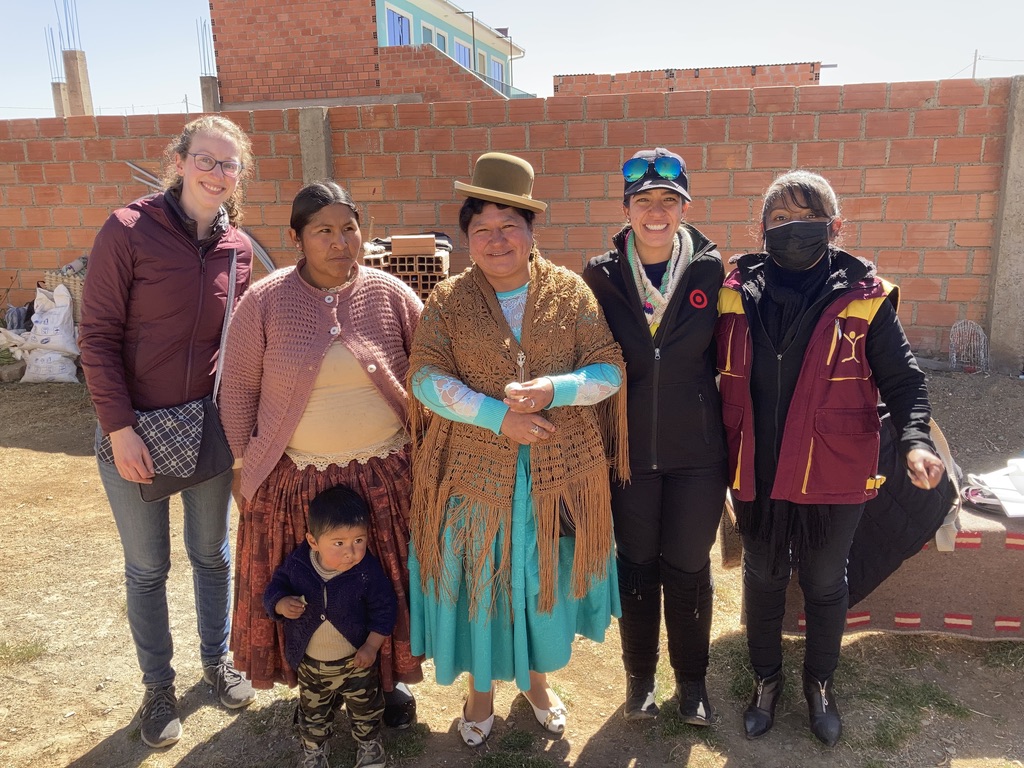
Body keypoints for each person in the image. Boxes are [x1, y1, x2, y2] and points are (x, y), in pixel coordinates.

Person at [716, 170, 946, 746]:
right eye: (778, 220)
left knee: (822, 580)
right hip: (758, 466)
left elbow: (904, 381)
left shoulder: (866, 298)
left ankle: (819, 683)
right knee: (764, 576)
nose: (792, 230)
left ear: (835, 226)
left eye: (805, 218)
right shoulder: (732, 291)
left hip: (834, 468)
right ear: (761, 229)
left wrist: (916, 440)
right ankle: (766, 680)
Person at [407, 152, 629, 746]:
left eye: (510, 226)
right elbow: (426, 376)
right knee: (481, 577)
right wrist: (496, 415)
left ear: (532, 231)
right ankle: (480, 691)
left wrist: (555, 388)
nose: (497, 239)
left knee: (536, 578)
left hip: (558, 473)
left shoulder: (570, 293)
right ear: (467, 239)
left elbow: (609, 368)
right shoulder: (448, 300)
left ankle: (535, 681)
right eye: (483, 229)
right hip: (473, 474)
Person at [78, 115, 257, 749]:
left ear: (239, 177)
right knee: (148, 566)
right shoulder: (127, 230)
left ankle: (219, 662)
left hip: (205, 430)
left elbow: (240, 348)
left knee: (212, 554)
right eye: (205, 160)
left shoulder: (238, 250)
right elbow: (95, 340)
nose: (216, 173)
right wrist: (120, 429)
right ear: (179, 161)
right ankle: (158, 686)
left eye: (228, 165)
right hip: (136, 430)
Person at [218, 180, 423, 728]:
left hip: (386, 476)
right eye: (323, 231)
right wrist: (245, 466)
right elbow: (237, 389)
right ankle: (316, 688)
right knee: (312, 586)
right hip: (297, 482)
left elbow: (429, 370)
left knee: (382, 585)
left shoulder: (390, 293)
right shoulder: (264, 302)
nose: (340, 241)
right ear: (296, 238)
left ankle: (387, 684)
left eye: (349, 228)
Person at [582, 148, 728, 725]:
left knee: (689, 567)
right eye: (644, 201)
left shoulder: (713, 271)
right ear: (626, 208)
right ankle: (640, 679)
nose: (656, 212)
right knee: (637, 565)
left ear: (684, 208)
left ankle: (692, 684)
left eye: (669, 201)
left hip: (698, 455)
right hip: (629, 453)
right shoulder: (599, 275)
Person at [264, 484, 394, 768]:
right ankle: (314, 751)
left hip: (355, 664)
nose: (351, 552)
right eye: (339, 543)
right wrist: (280, 603)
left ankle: (369, 746)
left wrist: (372, 646)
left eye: (359, 540)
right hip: (312, 666)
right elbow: (274, 588)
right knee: (313, 714)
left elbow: (385, 609)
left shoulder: (366, 571)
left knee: (366, 708)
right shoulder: (298, 565)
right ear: (313, 541)